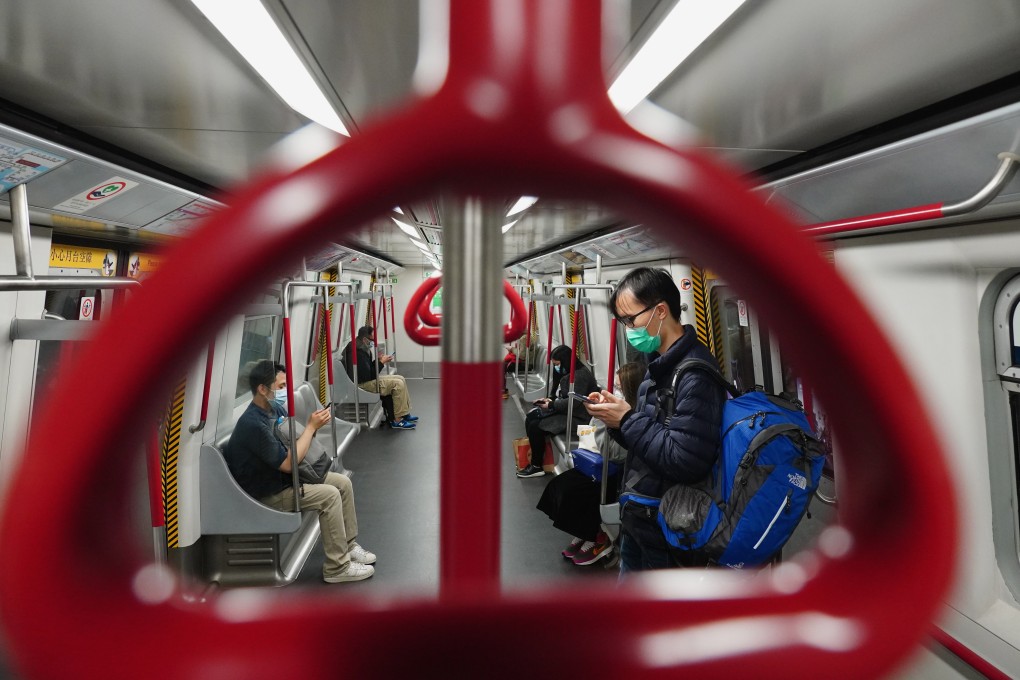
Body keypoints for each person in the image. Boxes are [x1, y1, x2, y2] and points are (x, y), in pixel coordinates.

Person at [584, 267, 726, 572]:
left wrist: (628, 420)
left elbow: (684, 460)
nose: (628, 329)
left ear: (660, 311)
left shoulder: (695, 375)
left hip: (665, 522)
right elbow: (647, 442)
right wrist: (616, 419)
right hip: (640, 515)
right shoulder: (658, 365)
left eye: (630, 320)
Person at [224, 359, 377, 583]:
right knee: (329, 496)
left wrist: (311, 428)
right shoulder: (253, 425)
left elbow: (293, 441)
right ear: (262, 389)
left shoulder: (273, 409)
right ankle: (337, 568)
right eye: (281, 387)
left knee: (342, 484)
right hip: (267, 494)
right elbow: (287, 463)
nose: (286, 391)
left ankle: (348, 545)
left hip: (285, 480)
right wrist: (311, 427)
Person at [537, 361, 645, 566]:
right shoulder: (617, 408)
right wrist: (599, 415)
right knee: (559, 486)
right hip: (600, 463)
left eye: (620, 388)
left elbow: (614, 452)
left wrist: (604, 420)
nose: (616, 392)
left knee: (576, 492)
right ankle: (584, 532)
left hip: (617, 471)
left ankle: (597, 538)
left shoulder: (636, 415)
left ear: (631, 389)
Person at [516, 344, 599, 479]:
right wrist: (549, 400)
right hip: (568, 412)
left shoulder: (580, 375)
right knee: (531, 417)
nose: (556, 367)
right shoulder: (567, 373)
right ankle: (539, 460)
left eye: (558, 364)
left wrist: (551, 405)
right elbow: (561, 396)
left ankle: (537, 465)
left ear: (566, 361)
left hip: (579, 417)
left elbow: (573, 402)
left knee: (536, 426)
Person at [342, 325, 417, 430]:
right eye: (372, 339)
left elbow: (367, 370)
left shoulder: (361, 347)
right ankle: (397, 420)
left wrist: (378, 360)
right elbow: (369, 376)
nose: (374, 342)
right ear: (365, 339)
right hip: (361, 384)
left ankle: (403, 413)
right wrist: (381, 362)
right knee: (397, 384)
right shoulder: (357, 352)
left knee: (400, 378)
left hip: (365, 380)